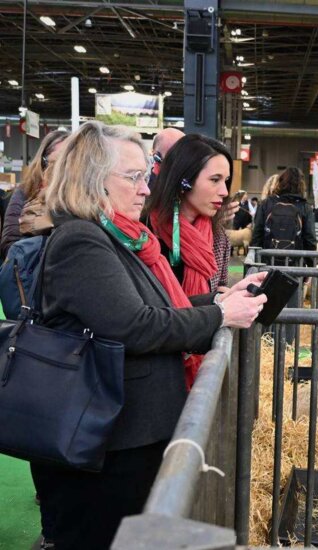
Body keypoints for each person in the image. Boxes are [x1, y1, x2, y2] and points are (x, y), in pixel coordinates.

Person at [34, 121, 267, 550]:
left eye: (146, 175)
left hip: (127, 435)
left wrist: (218, 302)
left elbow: (158, 311)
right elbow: (136, 326)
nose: (146, 188)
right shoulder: (81, 241)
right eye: (133, 177)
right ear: (92, 179)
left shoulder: (118, 237)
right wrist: (218, 315)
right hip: (108, 444)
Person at [146, 135, 233, 301]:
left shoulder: (219, 238)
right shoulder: (143, 231)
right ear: (184, 180)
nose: (224, 191)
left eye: (226, 180)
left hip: (202, 324)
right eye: (215, 180)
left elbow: (219, 285)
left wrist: (225, 297)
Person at [250, 166, 317, 343]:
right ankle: (288, 343)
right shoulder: (305, 207)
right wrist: (310, 267)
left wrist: (255, 261)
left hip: (268, 264)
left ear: (280, 182)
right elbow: (310, 239)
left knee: (267, 304)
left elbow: (256, 234)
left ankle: (265, 341)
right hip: (294, 264)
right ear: (301, 185)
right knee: (292, 305)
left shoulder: (267, 204)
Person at [0, 129, 69, 259]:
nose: (63, 169)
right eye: (57, 162)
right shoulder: (25, 191)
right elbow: (9, 245)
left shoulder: (81, 196)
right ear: (43, 162)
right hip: (32, 272)